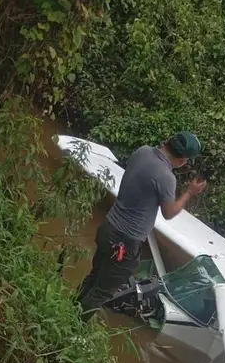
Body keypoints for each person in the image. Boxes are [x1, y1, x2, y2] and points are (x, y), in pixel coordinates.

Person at [76, 132, 206, 320]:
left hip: (108, 226)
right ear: (182, 160)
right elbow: (168, 213)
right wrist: (189, 193)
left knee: (94, 276)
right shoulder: (166, 177)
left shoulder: (142, 151)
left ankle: (69, 311)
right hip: (125, 242)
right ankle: (73, 327)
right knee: (102, 291)